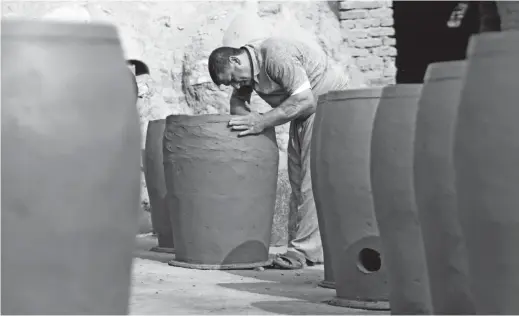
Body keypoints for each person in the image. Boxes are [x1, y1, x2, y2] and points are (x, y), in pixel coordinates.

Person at [208, 37, 350, 269]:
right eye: (229, 84)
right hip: (302, 113)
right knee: (297, 181)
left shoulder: (275, 55)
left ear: (235, 59)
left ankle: (303, 252)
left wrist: (262, 121)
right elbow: (239, 110)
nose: (235, 85)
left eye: (232, 78)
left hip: (327, 104)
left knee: (310, 180)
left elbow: (304, 100)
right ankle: (311, 249)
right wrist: (243, 111)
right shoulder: (246, 73)